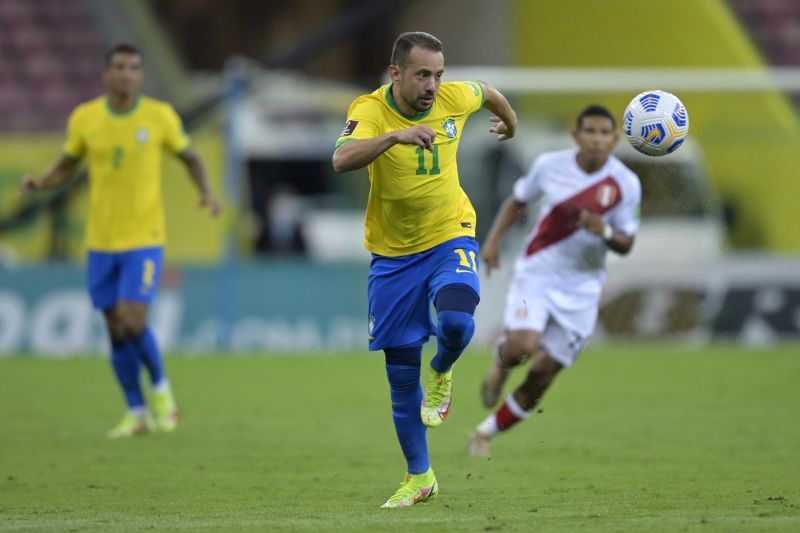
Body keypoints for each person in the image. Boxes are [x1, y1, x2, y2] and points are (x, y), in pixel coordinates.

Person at [332, 31, 517, 508]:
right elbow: (341, 158)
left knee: (456, 321)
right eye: (422, 75)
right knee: (398, 376)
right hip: (392, 257)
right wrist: (393, 136)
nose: (433, 85)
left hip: (449, 232)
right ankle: (421, 477)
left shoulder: (454, 97)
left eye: (438, 74)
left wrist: (509, 123)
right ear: (396, 73)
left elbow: (489, 93)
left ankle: (444, 368)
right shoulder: (370, 109)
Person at [19, 43, 221, 438]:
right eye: (119, 67)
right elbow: (68, 162)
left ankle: (162, 392)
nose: (127, 74)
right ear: (105, 74)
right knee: (113, 327)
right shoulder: (86, 118)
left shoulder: (159, 117)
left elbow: (192, 157)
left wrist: (207, 193)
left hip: (144, 238)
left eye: (133, 68)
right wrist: (42, 182)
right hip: (101, 240)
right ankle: (136, 412)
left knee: (132, 318)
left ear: (140, 76)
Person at [468, 105, 641, 458]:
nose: (595, 139)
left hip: (583, 288)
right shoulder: (550, 166)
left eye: (603, 133)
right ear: (576, 136)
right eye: (588, 132)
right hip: (538, 272)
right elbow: (518, 201)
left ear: (614, 140)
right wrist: (494, 241)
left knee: (542, 376)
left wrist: (604, 229)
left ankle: (485, 432)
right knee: (522, 347)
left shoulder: (626, 184)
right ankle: (500, 366)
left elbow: (626, 242)